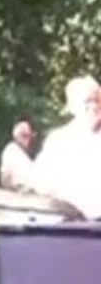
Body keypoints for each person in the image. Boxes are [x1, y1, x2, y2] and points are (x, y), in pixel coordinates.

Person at [34, 75, 101, 218]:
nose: (94, 107)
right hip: (70, 225)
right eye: (87, 101)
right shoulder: (58, 141)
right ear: (72, 107)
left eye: (98, 100)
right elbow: (41, 184)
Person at [0, 119, 37, 191]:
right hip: (17, 194)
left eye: (29, 136)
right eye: (24, 135)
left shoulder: (24, 153)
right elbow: (4, 177)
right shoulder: (11, 151)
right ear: (17, 136)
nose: (28, 140)